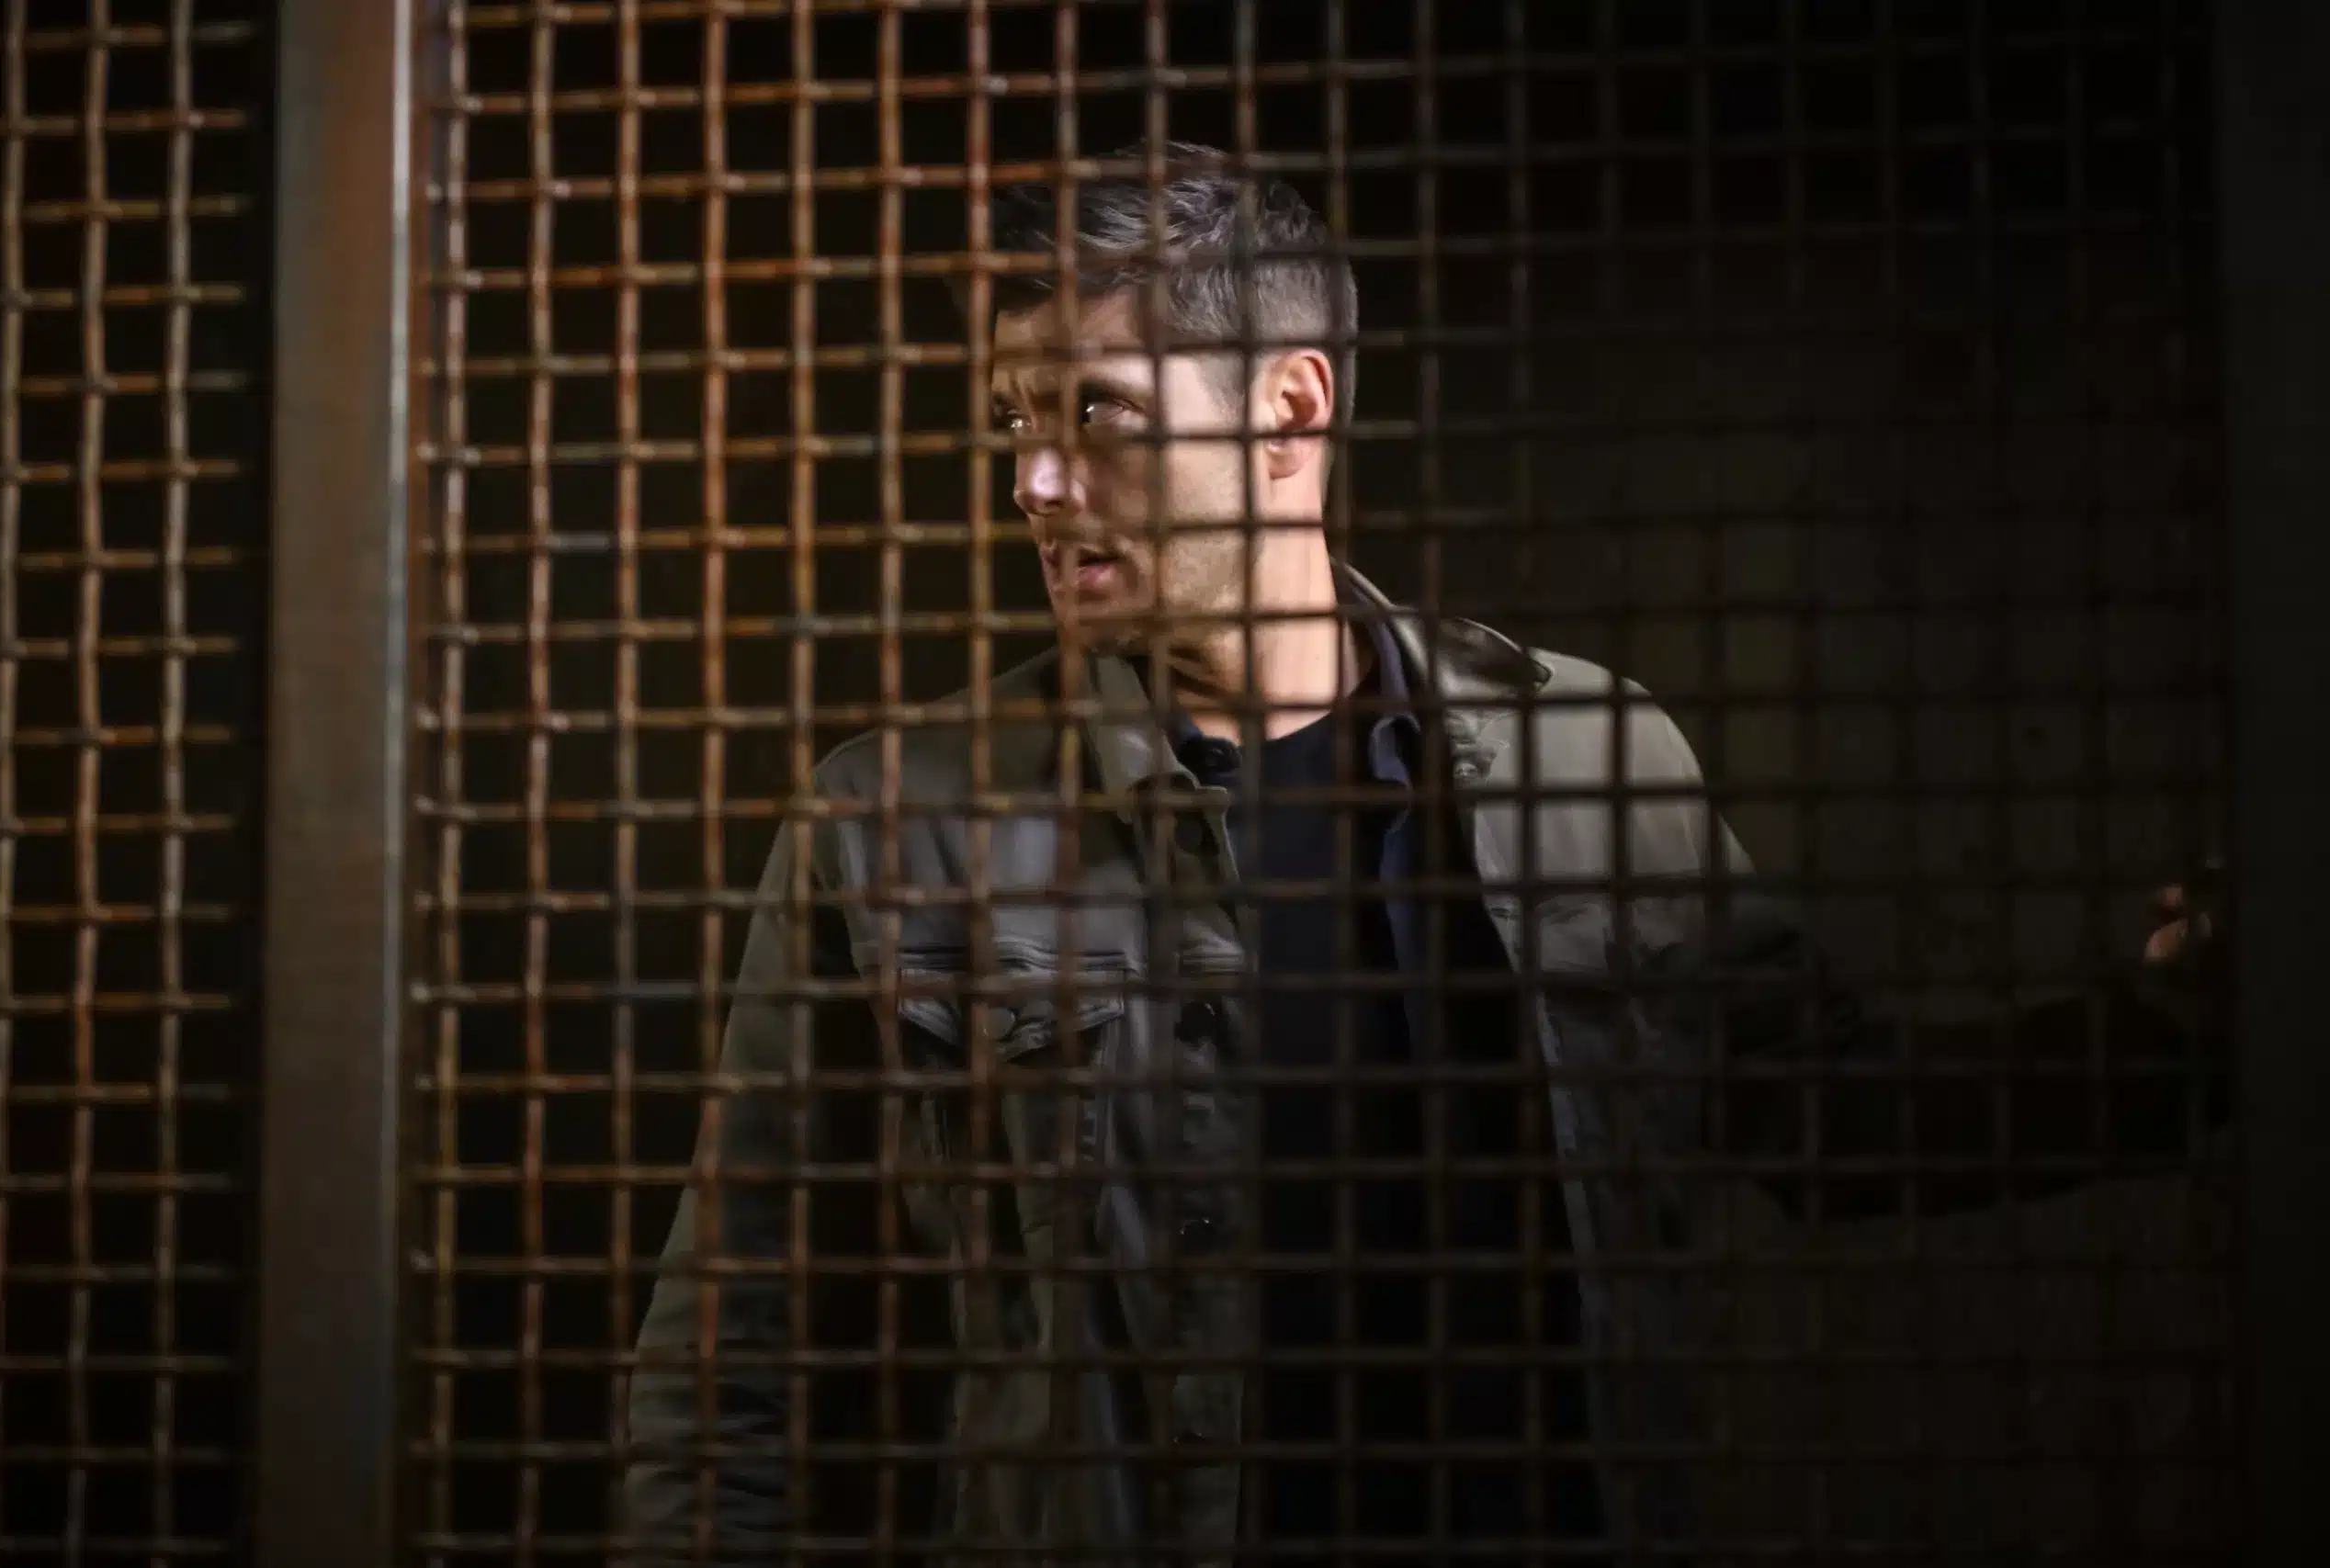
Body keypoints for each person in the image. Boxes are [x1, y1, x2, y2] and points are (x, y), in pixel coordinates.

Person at [626, 141, 2223, 1566]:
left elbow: (1832, 1122)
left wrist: (2173, 1031)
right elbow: (736, 1342)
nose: (1035, 483)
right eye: (1015, 421)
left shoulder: (1589, 756)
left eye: (1096, 413)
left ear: (1291, 407)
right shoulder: (902, 822)